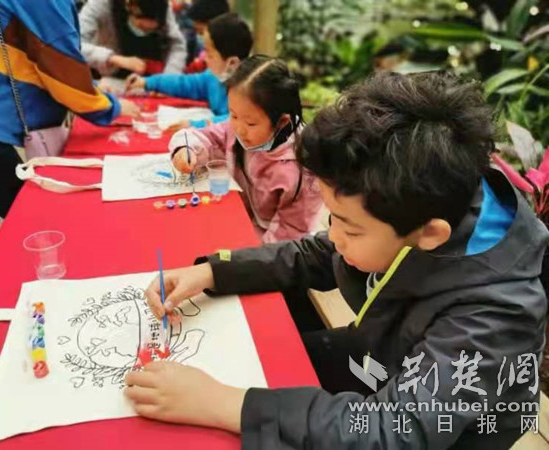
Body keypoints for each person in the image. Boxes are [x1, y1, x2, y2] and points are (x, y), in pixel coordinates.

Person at [125, 71, 549, 449]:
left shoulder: (494, 316)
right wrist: (212, 271)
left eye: (349, 227)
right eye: (332, 218)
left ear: (429, 234)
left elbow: (395, 431)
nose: (334, 236)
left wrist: (226, 404)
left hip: (442, 429)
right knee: (258, 358)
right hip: (379, 355)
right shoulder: (419, 200)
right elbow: (319, 252)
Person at [0, 0, 139, 276]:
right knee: (38, 221)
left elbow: (35, 56)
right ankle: (11, 288)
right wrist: (112, 107)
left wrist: (93, 88)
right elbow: (59, 66)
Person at [169, 55, 322, 243]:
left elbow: (289, 235)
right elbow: (209, 136)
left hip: (273, 243)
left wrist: (250, 256)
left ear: (282, 122)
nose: (239, 129)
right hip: (243, 218)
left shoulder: (302, 171)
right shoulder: (239, 129)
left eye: (250, 123)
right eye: (233, 115)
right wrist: (187, 149)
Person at [125, 12, 252, 130]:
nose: (204, 58)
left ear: (232, 63)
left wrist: (195, 125)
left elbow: (235, 123)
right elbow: (185, 83)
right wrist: (148, 82)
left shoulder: (249, 92)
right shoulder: (213, 78)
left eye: (209, 54)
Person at [80, 0, 187, 76]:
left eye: (151, 30)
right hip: (109, 76)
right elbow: (76, 44)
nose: (144, 32)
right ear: (129, 7)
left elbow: (177, 45)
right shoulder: (101, 5)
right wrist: (112, 58)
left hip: (150, 79)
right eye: (141, 26)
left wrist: (169, 79)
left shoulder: (161, 7)